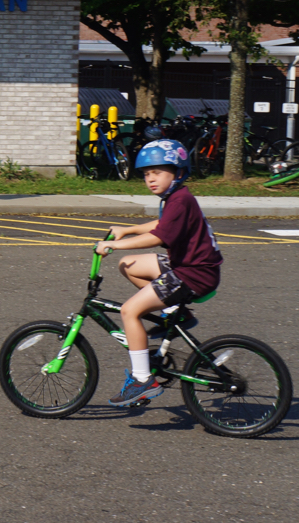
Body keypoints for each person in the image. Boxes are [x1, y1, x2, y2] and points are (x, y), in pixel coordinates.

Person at [94, 139, 222, 407]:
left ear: (177, 172)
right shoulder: (175, 198)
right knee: (128, 264)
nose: (150, 179)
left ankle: (142, 380)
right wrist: (127, 229)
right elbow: (161, 225)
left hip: (193, 275)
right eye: (146, 174)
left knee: (130, 311)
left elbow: (157, 236)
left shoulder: (180, 199)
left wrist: (114, 244)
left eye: (157, 172)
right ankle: (178, 313)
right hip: (188, 267)